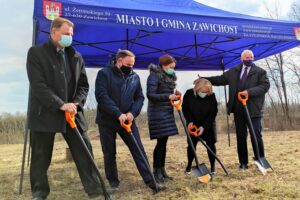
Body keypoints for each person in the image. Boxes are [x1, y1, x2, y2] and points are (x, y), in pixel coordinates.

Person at [26, 17, 105, 200]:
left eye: (71, 35)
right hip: (45, 113)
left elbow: (84, 85)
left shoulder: (76, 57)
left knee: (85, 152)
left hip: (72, 113)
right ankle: (39, 193)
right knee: (40, 157)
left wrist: (75, 104)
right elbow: (38, 85)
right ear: (53, 32)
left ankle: (95, 189)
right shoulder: (36, 53)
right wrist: (60, 104)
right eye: (66, 34)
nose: (69, 38)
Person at [95, 49, 165, 192]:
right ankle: (113, 183)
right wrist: (117, 113)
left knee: (138, 149)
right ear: (119, 61)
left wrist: (132, 113)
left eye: (133, 64)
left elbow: (140, 97)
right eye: (128, 64)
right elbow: (102, 96)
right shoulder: (104, 74)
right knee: (109, 153)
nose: (131, 67)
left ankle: (151, 181)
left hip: (127, 121)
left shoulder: (135, 77)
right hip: (107, 120)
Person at [203, 49, 270, 170]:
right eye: (247, 58)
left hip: (254, 110)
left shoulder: (260, 72)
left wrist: (249, 92)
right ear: (241, 58)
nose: (249, 59)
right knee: (240, 136)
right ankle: (243, 163)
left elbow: (265, 86)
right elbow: (220, 79)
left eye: (251, 57)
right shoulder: (233, 71)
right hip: (238, 110)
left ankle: (260, 160)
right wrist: (205, 79)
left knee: (256, 135)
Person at [146, 54, 181, 183]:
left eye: (174, 67)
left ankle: (162, 170)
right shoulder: (154, 76)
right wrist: (168, 96)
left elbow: (167, 92)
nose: (173, 69)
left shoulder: (168, 76)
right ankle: (156, 171)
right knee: (160, 143)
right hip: (157, 114)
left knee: (164, 142)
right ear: (164, 65)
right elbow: (151, 95)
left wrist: (175, 94)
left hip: (166, 111)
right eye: (171, 67)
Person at [182, 78, 218, 175]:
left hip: (208, 124)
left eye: (207, 91)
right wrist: (189, 121)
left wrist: (204, 127)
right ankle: (189, 165)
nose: (205, 93)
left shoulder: (211, 96)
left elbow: (213, 113)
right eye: (203, 91)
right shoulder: (189, 94)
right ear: (197, 89)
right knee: (191, 146)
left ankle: (213, 167)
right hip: (193, 124)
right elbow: (185, 109)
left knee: (211, 145)